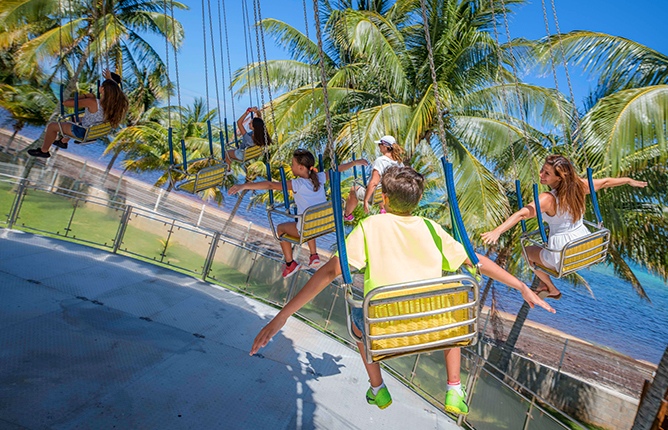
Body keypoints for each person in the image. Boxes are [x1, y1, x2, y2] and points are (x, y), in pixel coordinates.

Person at [250, 165, 554, 415]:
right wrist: (520, 286)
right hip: (433, 329)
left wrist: (282, 317)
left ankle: (378, 388)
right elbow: (477, 262)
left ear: (383, 200)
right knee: (451, 316)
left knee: (359, 323)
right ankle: (454, 388)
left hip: (383, 332)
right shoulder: (432, 228)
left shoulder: (370, 227)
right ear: (417, 203)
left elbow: (329, 272)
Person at [481, 154, 648, 299]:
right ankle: (543, 286)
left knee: (527, 252)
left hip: (561, 252)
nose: (541, 175)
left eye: (546, 173)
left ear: (559, 178)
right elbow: (605, 182)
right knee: (536, 251)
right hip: (585, 245)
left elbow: (522, 214)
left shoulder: (547, 199)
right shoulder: (579, 187)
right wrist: (628, 180)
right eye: (542, 170)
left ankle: (550, 287)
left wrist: (497, 231)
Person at [229, 149, 368, 278]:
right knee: (309, 219)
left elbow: (270, 185)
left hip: (307, 228)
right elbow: (337, 169)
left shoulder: (297, 184)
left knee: (281, 228)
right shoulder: (319, 177)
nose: (291, 167)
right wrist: (355, 163)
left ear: (301, 167)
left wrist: (244, 185)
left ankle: (290, 264)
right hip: (323, 226)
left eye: (293, 164)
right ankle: (313, 255)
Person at [28, 70, 128, 158]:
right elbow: (118, 92)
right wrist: (110, 80)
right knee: (75, 119)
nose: (100, 86)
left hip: (82, 132)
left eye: (102, 85)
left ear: (103, 89)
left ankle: (43, 151)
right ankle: (63, 142)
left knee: (52, 126)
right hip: (92, 132)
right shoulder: (114, 106)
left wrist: (85, 96)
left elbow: (66, 103)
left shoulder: (92, 102)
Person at [343, 135, 405, 221]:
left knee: (354, 190)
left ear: (385, 146)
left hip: (377, 195)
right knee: (383, 186)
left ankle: (347, 215)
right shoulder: (399, 163)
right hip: (392, 195)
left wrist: (365, 200)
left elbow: (374, 183)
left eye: (379, 144)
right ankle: (382, 208)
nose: (379, 146)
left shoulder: (380, 161)